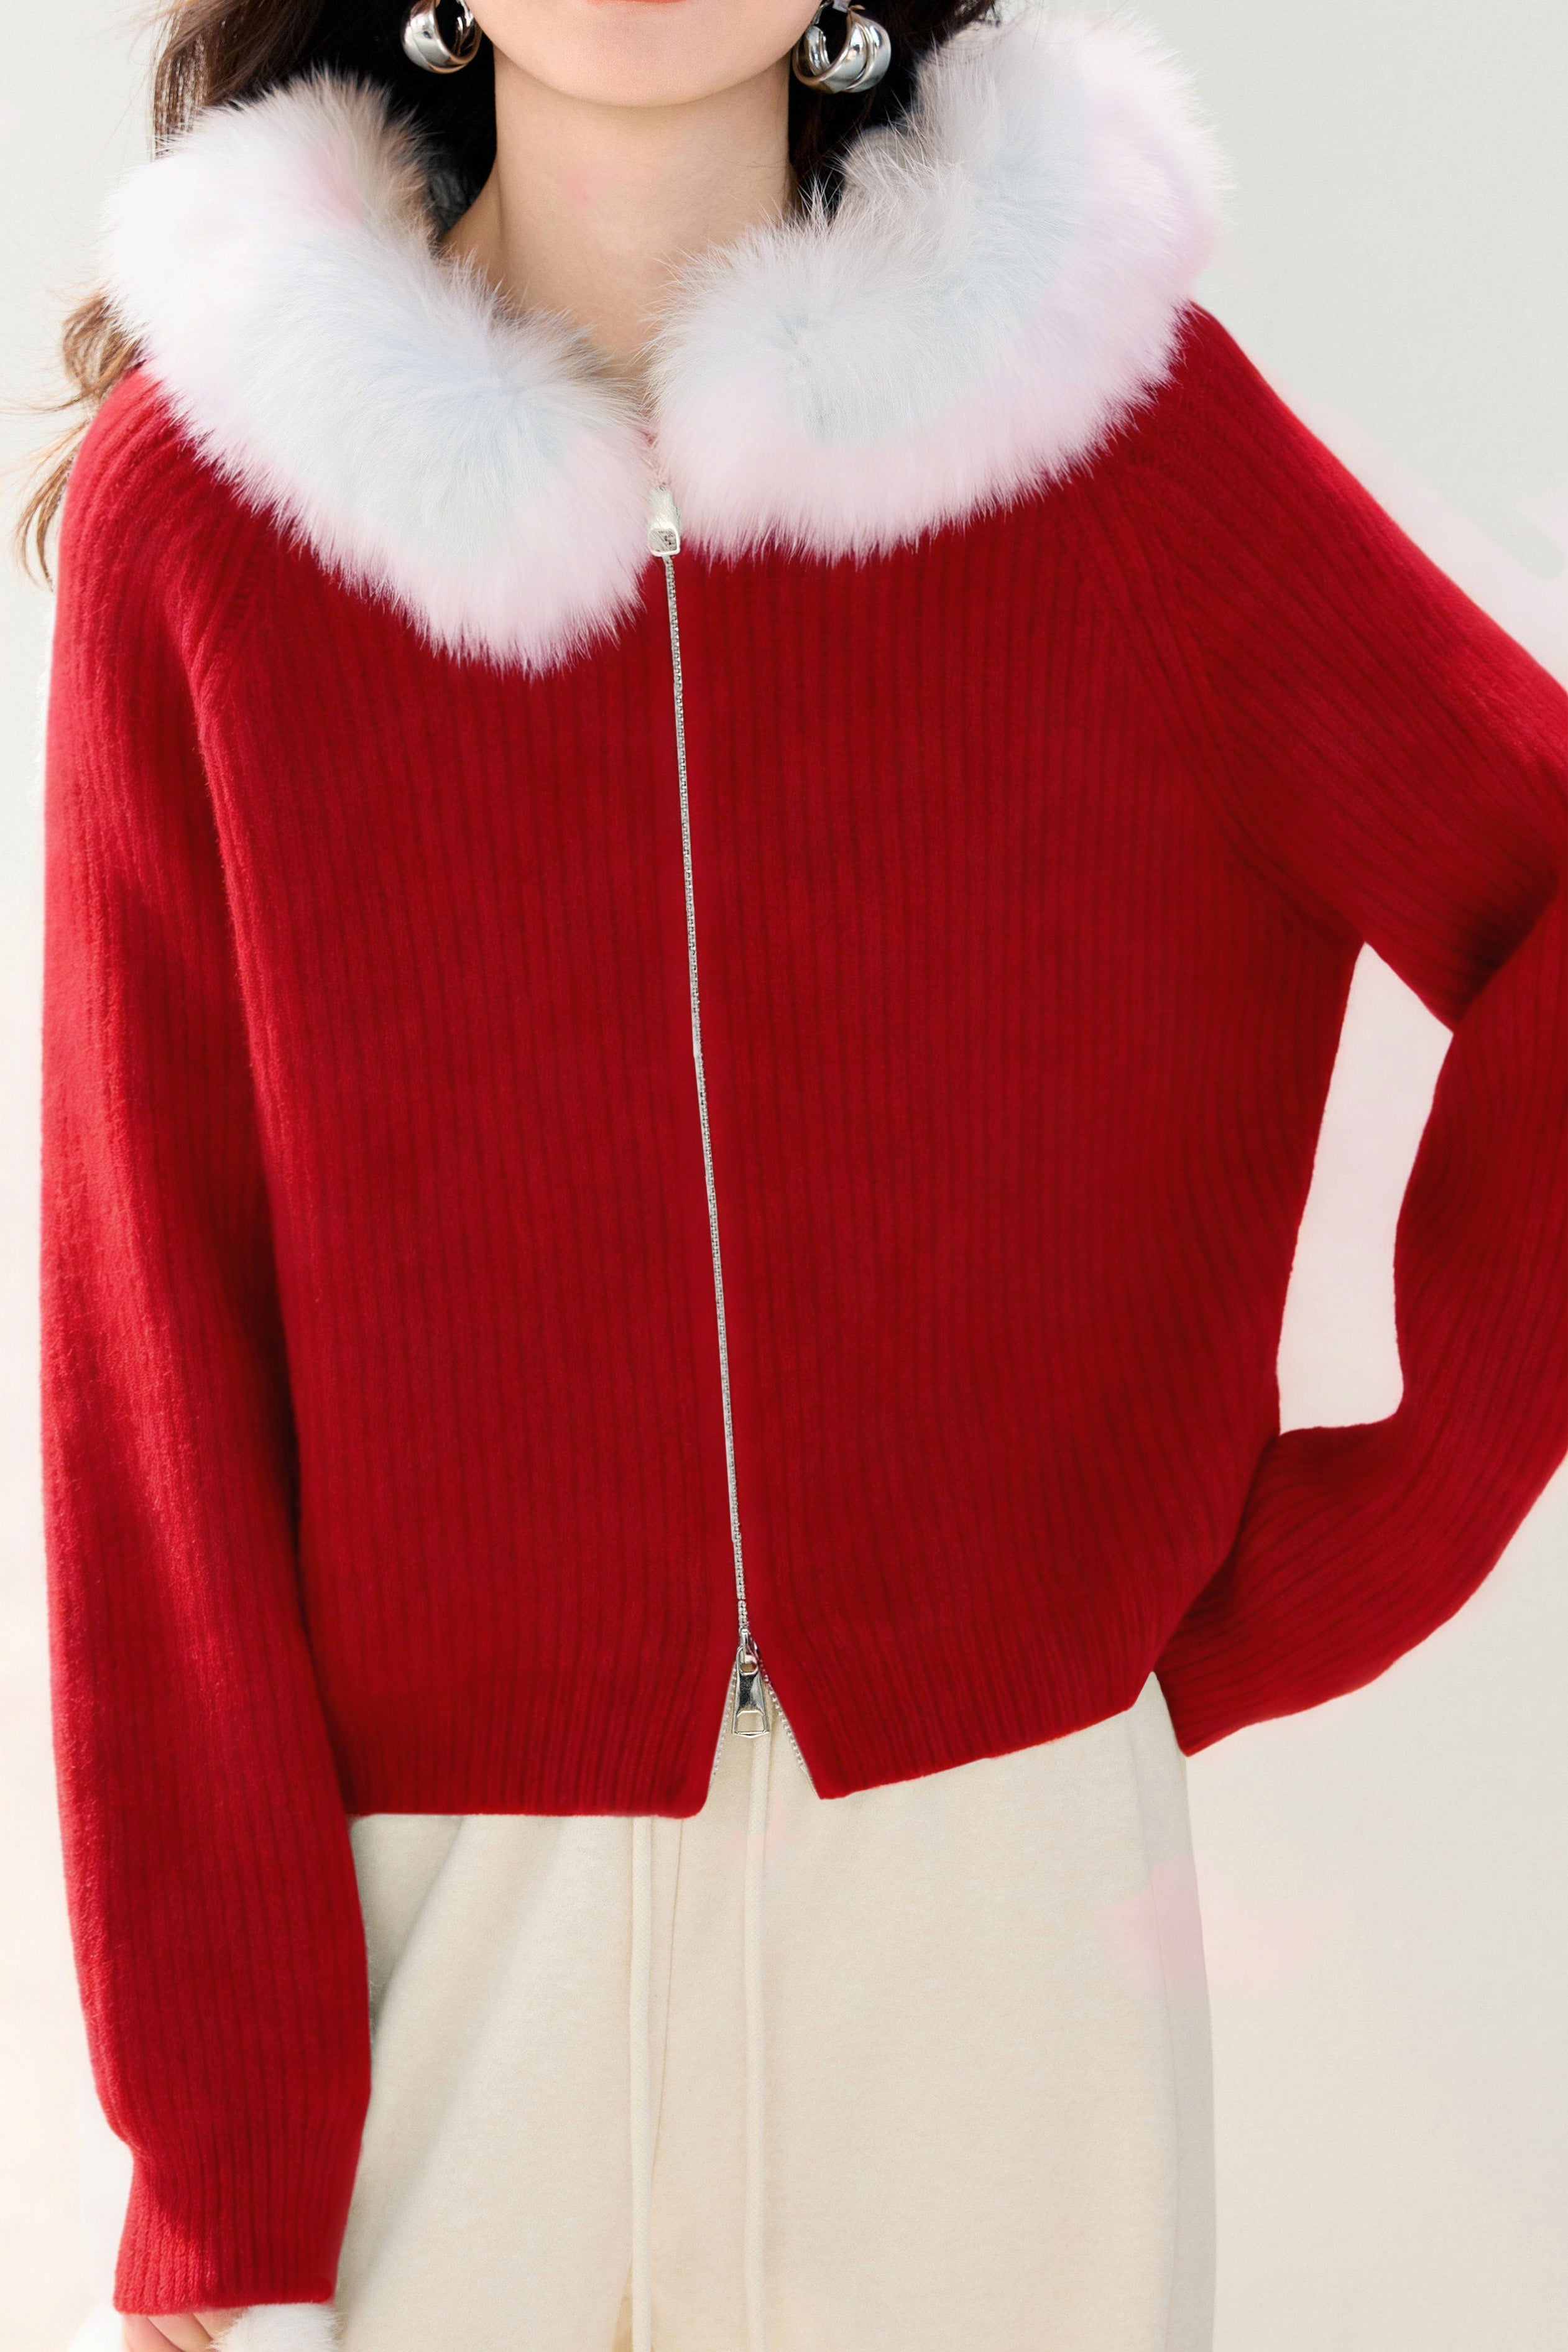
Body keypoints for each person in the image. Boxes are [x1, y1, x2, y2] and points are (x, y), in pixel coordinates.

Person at [27, 1, 1565, 2348]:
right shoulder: (218, 517)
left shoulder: (1105, 437)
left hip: (998, 1965)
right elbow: (150, 1382)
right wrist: (221, 2174)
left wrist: (1342, 1549)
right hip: (439, 1993)